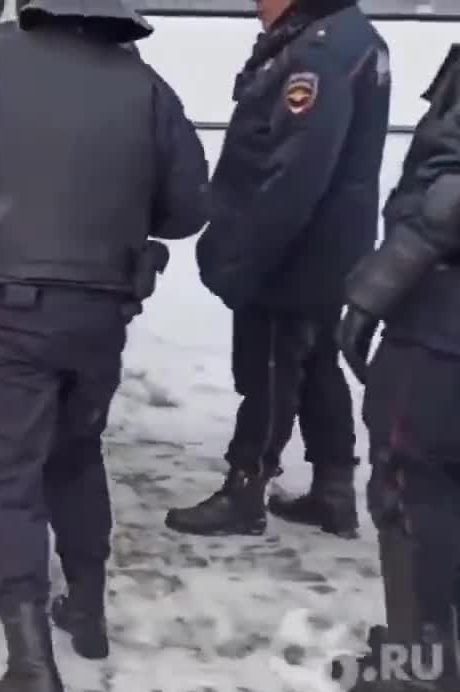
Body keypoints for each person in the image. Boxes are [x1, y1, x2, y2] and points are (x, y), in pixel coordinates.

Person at [0, 0, 208, 692]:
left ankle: (30, 672)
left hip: (11, 313)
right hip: (100, 315)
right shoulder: (146, 86)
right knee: (75, 451)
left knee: (5, 479)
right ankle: (85, 611)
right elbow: (189, 208)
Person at [165, 0, 390, 539]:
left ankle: (245, 490)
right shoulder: (345, 36)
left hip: (293, 248)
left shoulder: (318, 54)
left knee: (267, 369)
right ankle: (334, 492)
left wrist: (246, 255)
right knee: (315, 363)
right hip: (328, 241)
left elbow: (295, 170)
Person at [330, 44, 460, 692]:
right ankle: (449, 646)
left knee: (410, 481)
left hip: (446, 327)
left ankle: (422, 664)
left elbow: (452, 192)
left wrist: (373, 296)